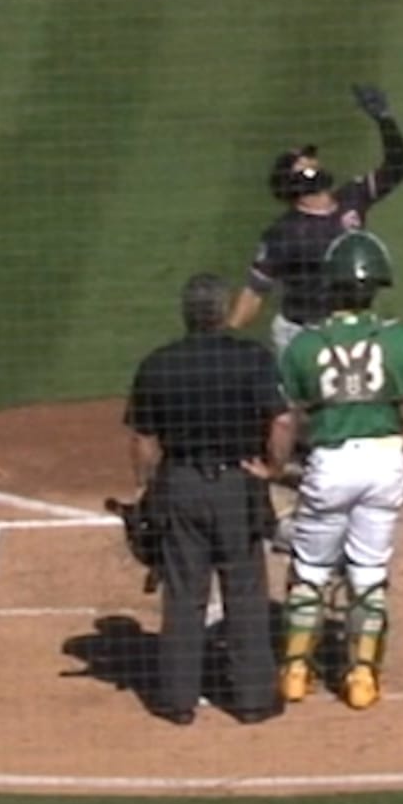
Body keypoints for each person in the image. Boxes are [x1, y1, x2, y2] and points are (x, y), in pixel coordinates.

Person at [271, 230, 403, 710]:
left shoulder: (303, 346)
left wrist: (276, 464)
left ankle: (295, 671)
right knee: (368, 573)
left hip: (329, 463)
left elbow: (284, 412)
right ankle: (361, 678)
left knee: (310, 570)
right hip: (385, 463)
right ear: (378, 284)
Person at [122, 272, 295, 726]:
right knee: (245, 590)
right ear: (222, 313)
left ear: (187, 315)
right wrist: (273, 469)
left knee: (183, 593)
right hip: (237, 485)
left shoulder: (158, 364)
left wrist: (146, 487)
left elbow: (144, 438)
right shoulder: (251, 358)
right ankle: (253, 699)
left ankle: (178, 701)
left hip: (180, 484)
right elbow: (281, 423)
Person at [226, 84, 403, 354]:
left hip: (347, 328)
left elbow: (399, 167)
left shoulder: (352, 198)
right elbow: (255, 291)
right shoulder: (284, 233)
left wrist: (385, 120)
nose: (314, 162)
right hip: (300, 334)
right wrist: (227, 335)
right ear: (292, 182)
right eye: (305, 161)